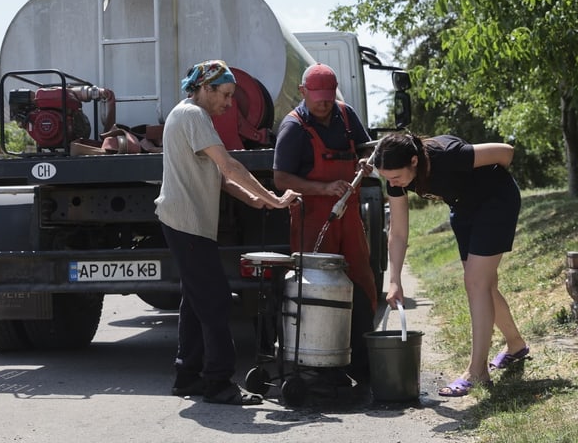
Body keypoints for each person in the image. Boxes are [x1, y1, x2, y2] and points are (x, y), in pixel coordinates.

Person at [154, 60, 300, 405]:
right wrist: (276, 199)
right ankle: (218, 384)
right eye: (226, 94)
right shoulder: (193, 116)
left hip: (187, 222)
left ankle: (186, 376)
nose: (230, 103)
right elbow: (230, 166)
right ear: (205, 88)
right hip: (186, 223)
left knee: (195, 300)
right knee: (216, 300)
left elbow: (217, 178)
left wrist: (257, 200)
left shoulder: (188, 116)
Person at [371, 132, 529, 397]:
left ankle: (477, 371)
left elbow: (506, 151)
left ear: (414, 161)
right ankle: (516, 345)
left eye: (395, 177)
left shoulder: (447, 155)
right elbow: (397, 232)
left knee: (476, 282)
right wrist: (395, 280)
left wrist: (490, 183)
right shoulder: (397, 177)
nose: (393, 183)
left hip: (495, 201)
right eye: (387, 179)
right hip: (463, 208)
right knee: (484, 285)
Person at [273, 63, 377, 386]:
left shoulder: (346, 116)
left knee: (362, 284)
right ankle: (316, 368)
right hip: (312, 219)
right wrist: (323, 189)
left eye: (328, 97)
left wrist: (366, 161)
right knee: (316, 293)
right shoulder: (293, 128)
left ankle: (360, 365)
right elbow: (280, 179)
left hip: (348, 217)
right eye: (317, 97)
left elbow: (367, 147)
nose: (324, 103)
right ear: (304, 93)